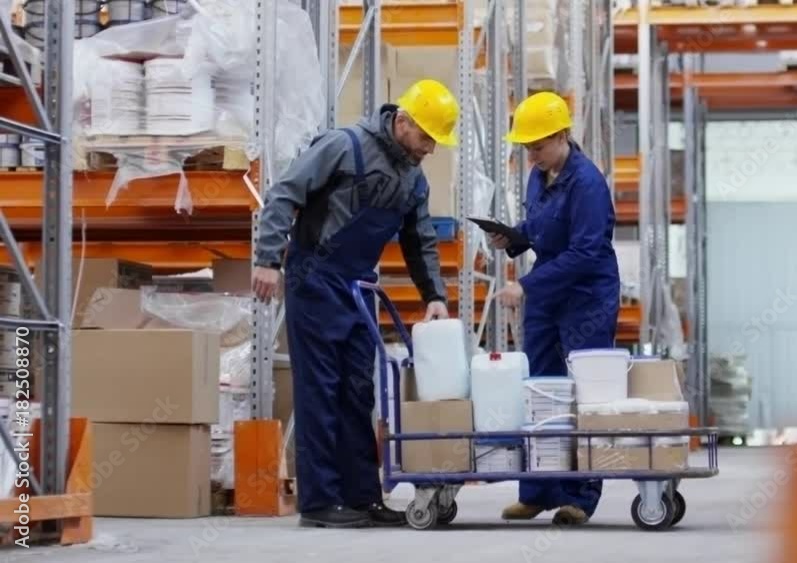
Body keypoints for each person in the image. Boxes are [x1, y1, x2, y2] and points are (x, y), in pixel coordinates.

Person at [250, 79, 459, 529]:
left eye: (436, 142)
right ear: (402, 122)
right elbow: (284, 192)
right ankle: (321, 502)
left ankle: (363, 497)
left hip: (359, 289)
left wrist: (434, 296)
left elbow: (419, 240)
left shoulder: (413, 178)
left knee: (359, 392)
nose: (430, 149)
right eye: (426, 137)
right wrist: (268, 258)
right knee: (320, 390)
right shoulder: (343, 146)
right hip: (315, 280)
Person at [490, 92, 621, 525]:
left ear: (563, 135)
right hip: (549, 292)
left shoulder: (587, 183)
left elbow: (584, 252)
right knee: (541, 389)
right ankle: (539, 490)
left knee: (585, 393)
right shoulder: (539, 174)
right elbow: (541, 227)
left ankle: (580, 497)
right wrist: (516, 237)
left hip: (586, 295)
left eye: (539, 146)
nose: (532, 155)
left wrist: (525, 285)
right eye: (527, 148)